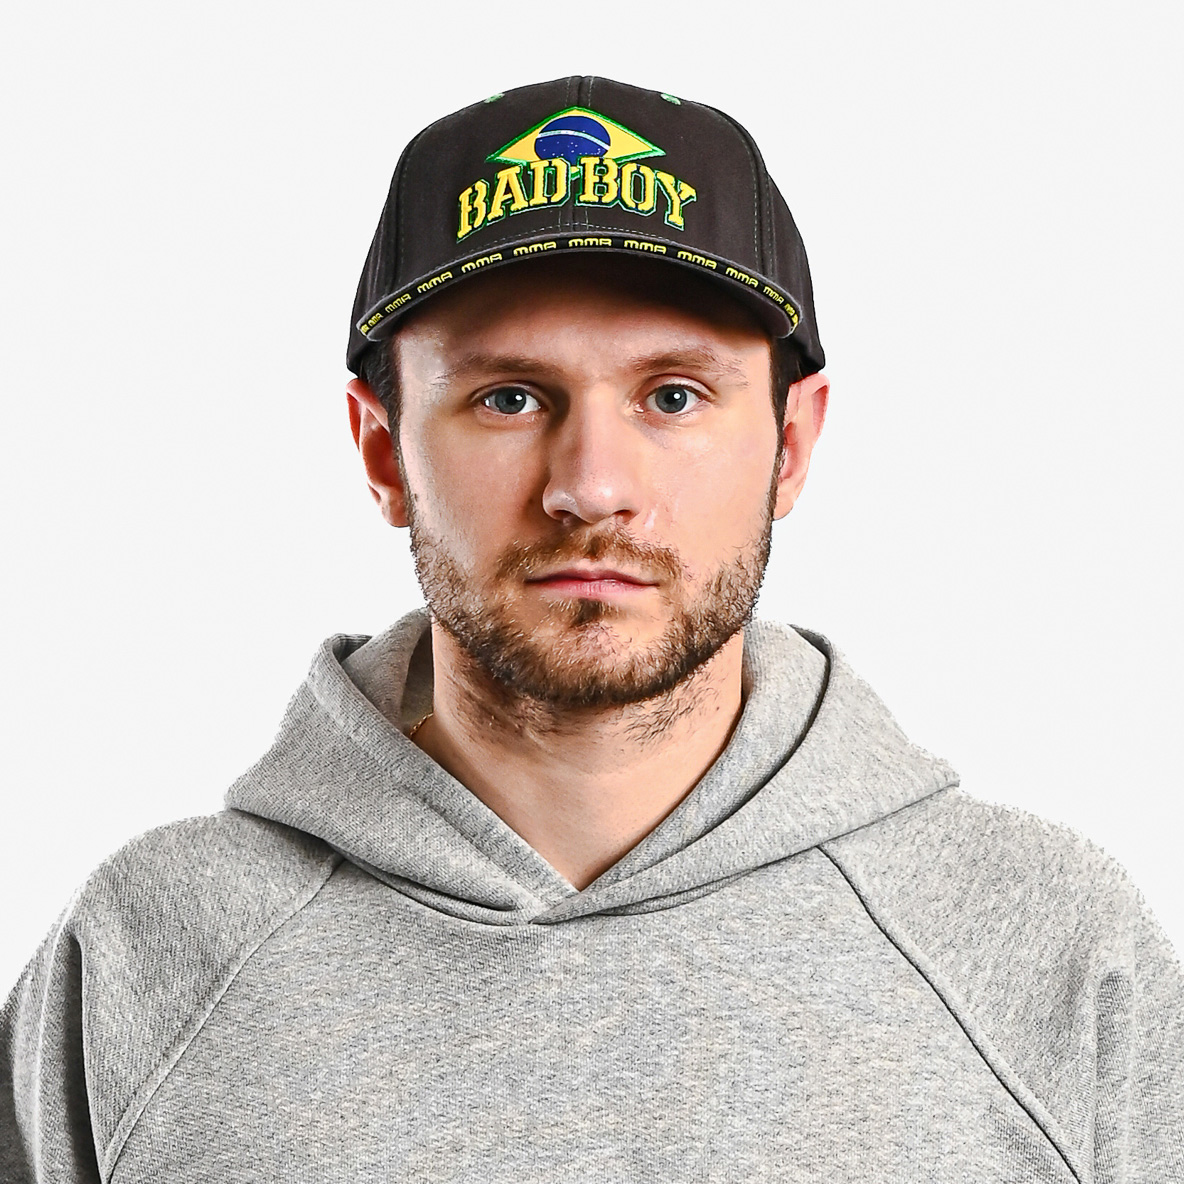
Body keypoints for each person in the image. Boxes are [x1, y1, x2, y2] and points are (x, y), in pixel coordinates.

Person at [2, 74, 1181, 1183]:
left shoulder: (1052, 951)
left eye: (672, 395)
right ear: (383, 451)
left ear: (790, 445)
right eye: (508, 397)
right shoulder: (144, 954)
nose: (590, 485)